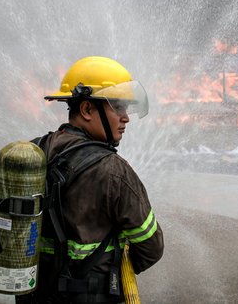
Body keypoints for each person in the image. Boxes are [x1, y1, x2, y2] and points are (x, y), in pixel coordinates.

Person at [20, 56, 164, 304]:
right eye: (117, 106)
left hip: (35, 297)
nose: (126, 117)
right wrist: (108, 270)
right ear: (87, 109)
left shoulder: (34, 152)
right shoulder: (114, 171)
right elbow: (151, 246)